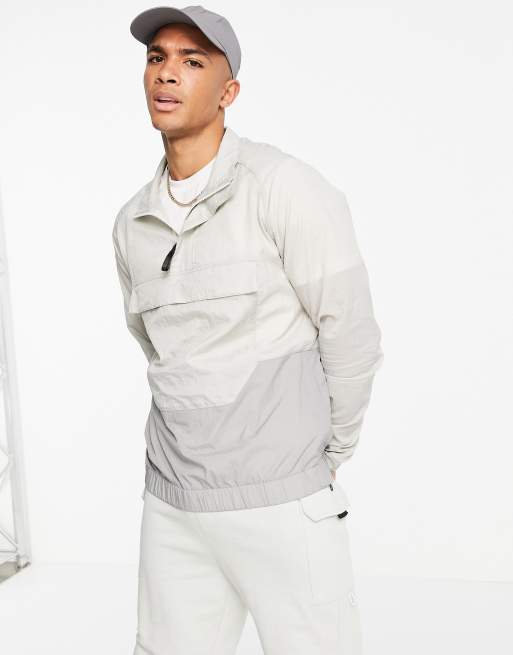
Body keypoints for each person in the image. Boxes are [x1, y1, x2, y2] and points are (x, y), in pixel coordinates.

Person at [112, 5, 384, 654]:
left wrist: (322, 458)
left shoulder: (285, 188)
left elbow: (351, 334)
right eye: (157, 58)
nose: (167, 74)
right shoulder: (131, 222)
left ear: (228, 92)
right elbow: (156, 346)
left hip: (281, 501)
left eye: (192, 61)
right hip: (174, 506)